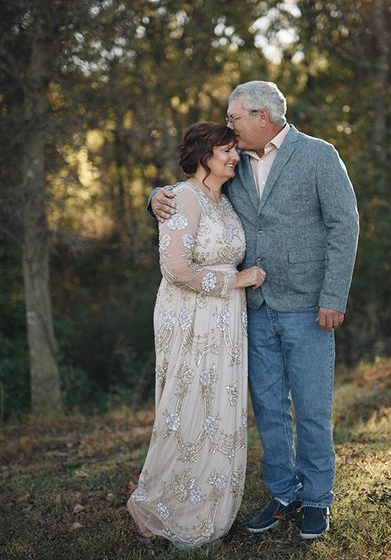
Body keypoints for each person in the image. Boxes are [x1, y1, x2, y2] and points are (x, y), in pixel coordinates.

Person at [150, 81, 359, 540]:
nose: (229, 125)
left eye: (234, 117)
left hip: (308, 306)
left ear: (261, 116)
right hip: (252, 308)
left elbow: (345, 225)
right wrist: (156, 196)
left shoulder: (319, 155)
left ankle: (317, 498)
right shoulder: (236, 159)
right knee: (268, 407)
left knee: (311, 406)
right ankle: (282, 493)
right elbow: (196, 189)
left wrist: (333, 296)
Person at [128, 122, 266, 549]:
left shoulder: (224, 203)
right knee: (185, 407)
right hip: (188, 316)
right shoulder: (182, 197)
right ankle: (152, 508)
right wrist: (237, 281)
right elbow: (176, 269)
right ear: (203, 154)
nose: (234, 157)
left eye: (235, 151)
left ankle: (204, 508)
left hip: (226, 320)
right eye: (226, 150)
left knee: (217, 411)